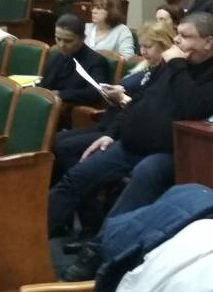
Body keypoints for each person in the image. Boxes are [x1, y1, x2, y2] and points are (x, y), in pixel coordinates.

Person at [51, 12, 213, 280]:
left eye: (186, 36)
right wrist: (112, 133)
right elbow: (139, 100)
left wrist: (176, 64)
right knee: (78, 176)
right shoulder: (170, 67)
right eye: (178, 35)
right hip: (130, 143)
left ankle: (98, 251)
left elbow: (193, 106)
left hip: (174, 153)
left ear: (208, 42)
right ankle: (30, 236)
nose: (177, 41)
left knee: (144, 177)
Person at [50, 21, 176, 242]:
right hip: (112, 125)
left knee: (69, 150)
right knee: (58, 142)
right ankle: (71, 219)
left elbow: (144, 110)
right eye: (141, 46)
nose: (143, 51)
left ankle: (86, 221)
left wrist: (122, 98)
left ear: (164, 46)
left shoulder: (165, 75)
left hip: (125, 133)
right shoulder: (146, 68)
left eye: (148, 47)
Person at [43, 14, 109, 106]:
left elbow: (95, 92)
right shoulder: (55, 56)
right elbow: (45, 85)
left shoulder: (97, 61)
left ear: (82, 39)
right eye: (58, 39)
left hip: (74, 109)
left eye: (68, 41)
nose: (61, 45)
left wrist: (60, 94)